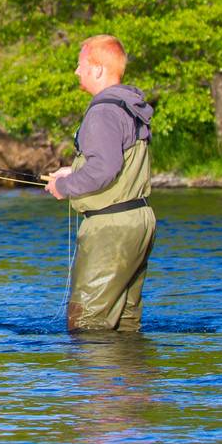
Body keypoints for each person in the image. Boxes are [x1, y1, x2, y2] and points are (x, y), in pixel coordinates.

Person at [44, 35, 156, 332]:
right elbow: (118, 161)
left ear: (96, 69)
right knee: (124, 323)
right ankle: (131, 378)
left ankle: (97, 379)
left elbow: (106, 168)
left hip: (111, 228)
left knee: (87, 325)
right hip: (138, 219)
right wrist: (75, 170)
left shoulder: (103, 111)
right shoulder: (129, 106)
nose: (77, 72)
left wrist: (63, 188)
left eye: (80, 65)